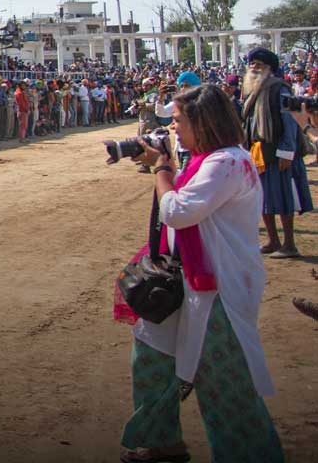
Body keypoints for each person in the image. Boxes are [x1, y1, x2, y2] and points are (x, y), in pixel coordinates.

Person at [119, 84, 283, 462]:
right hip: (189, 283)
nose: (172, 128)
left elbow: (177, 211)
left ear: (202, 121)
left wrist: (161, 169)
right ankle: (161, 442)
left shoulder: (225, 162)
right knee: (151, 355)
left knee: (225, 383)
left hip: (218, 288)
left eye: (177, 121)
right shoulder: (209, 158)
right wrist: (162, 168)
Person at [241, 48, 312, 258]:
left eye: (259, 63)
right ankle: (273, 240)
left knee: (283, 198)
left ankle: (289, 244)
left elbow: (289, 121)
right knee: (263, 199)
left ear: (270, 68)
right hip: (258, 152)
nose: (254, 66)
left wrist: (286, 152)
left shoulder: (279, 89)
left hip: (277, 152)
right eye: (251, 63)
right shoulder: (252, 91)